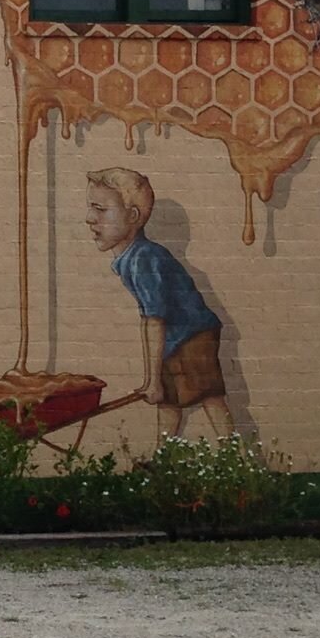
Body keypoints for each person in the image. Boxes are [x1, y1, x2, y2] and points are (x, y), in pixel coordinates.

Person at [85, 167, 234, 439]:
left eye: (100, 209)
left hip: (193, 334)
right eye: (90, 208)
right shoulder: (131, 258)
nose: (89, 218)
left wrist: (152, 379)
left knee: (209, 396)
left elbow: (153, 320)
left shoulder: (144, 260)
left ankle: (236, 459)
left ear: (132, 216)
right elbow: (149, 320)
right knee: (168, 401)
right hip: (175, 338)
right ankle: (162, 459)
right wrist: (152, 380)